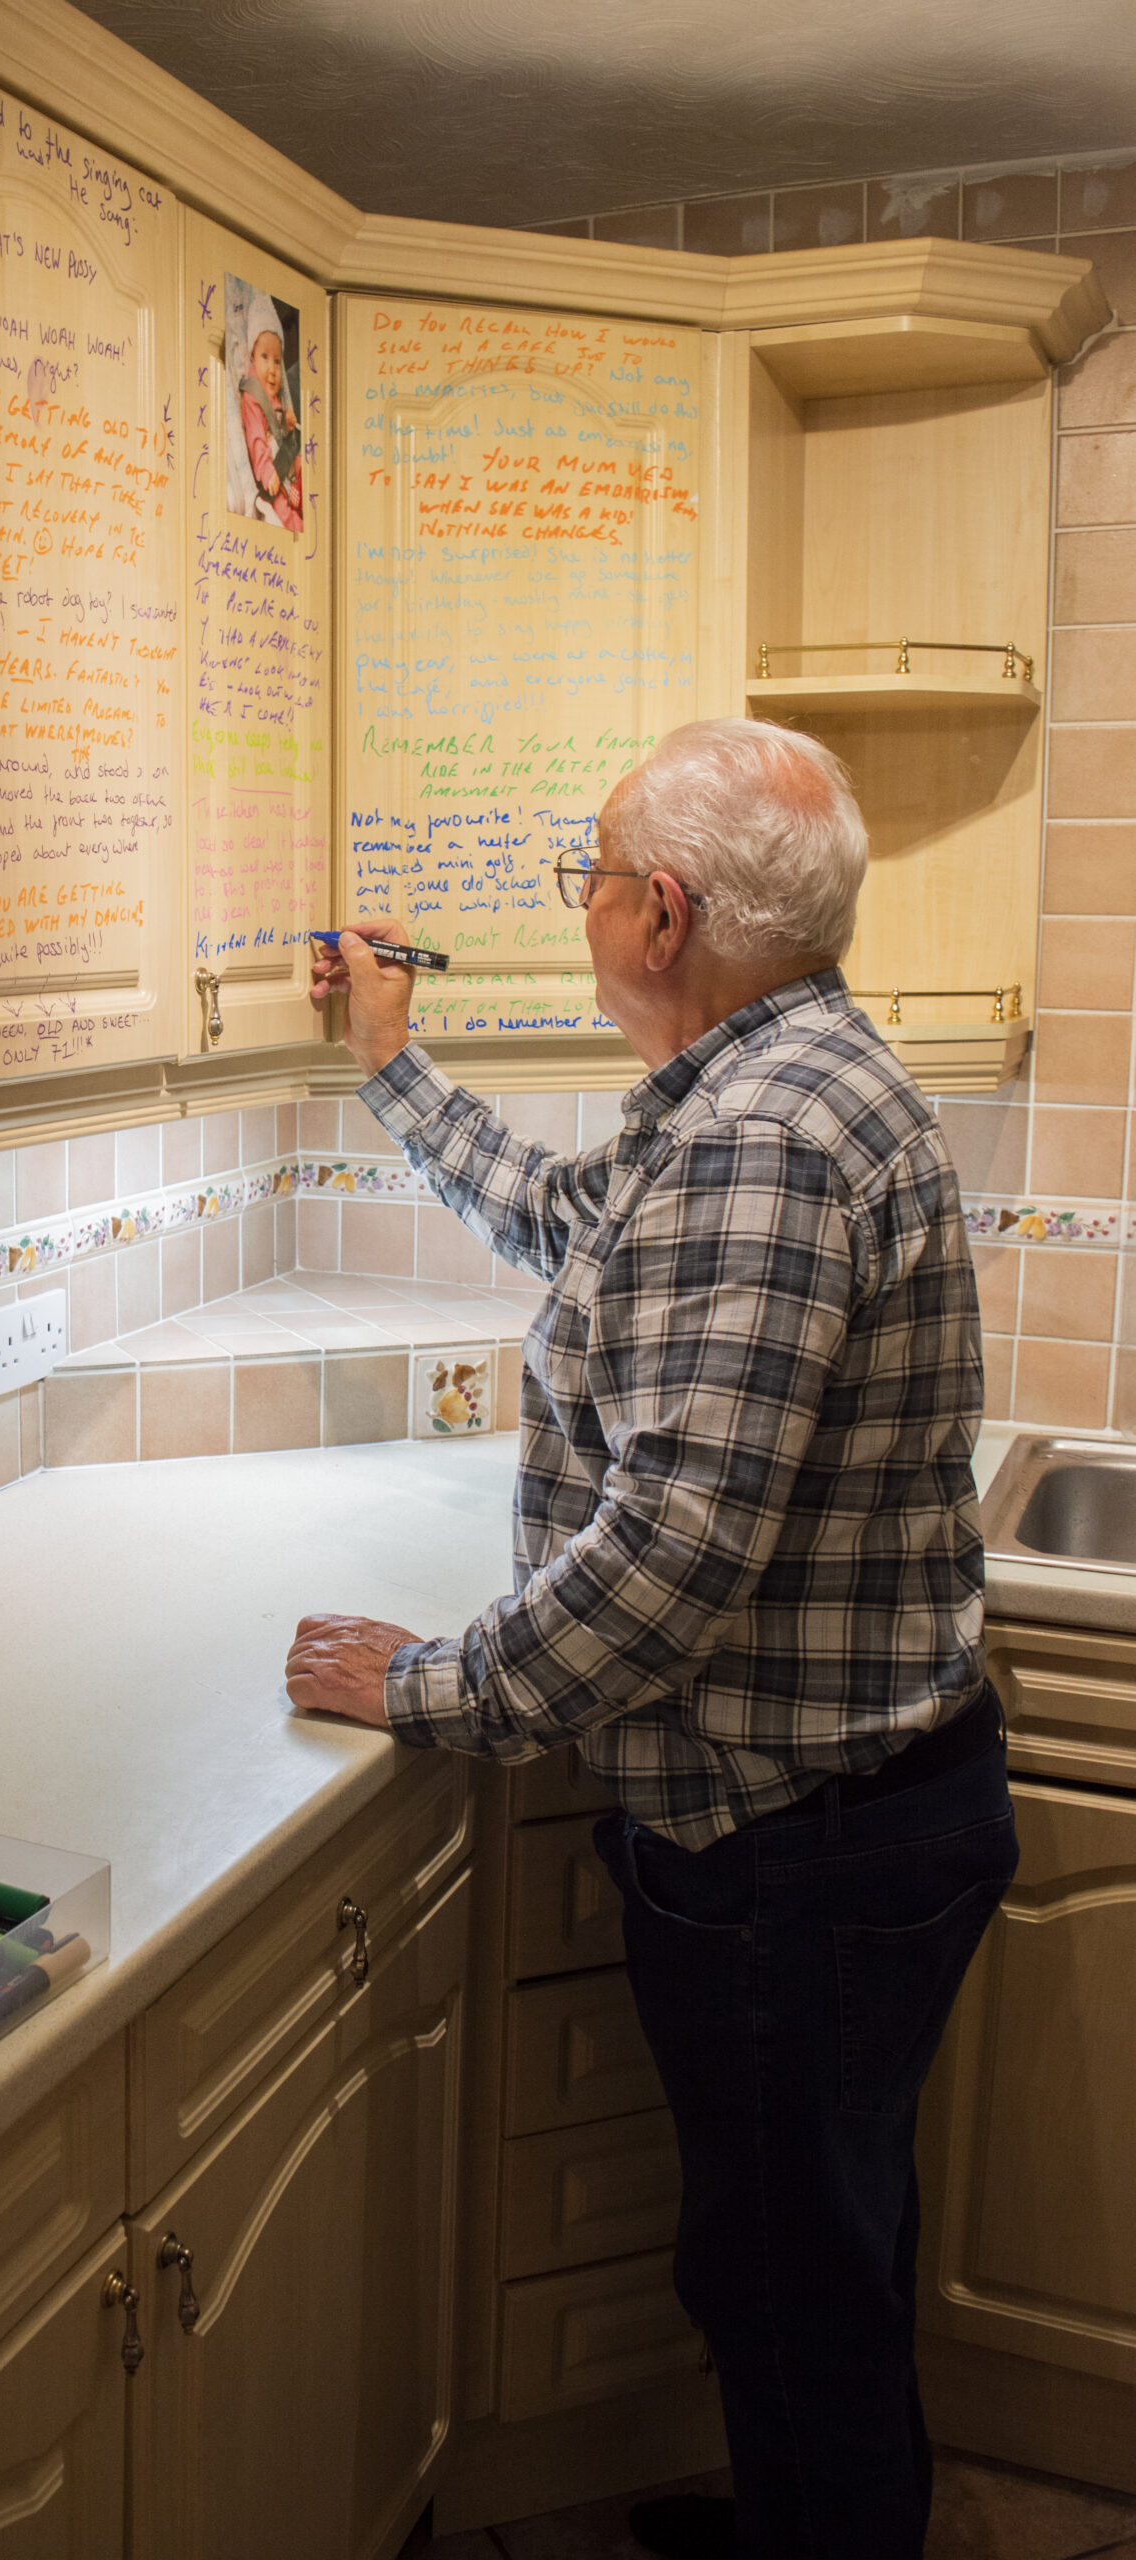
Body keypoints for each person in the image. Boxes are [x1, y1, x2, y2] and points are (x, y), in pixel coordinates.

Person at [286, 719, 1016, 2560]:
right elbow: (573, 1225)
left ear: (661, 914)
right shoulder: (777, 1081)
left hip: (798, 1844)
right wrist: (392, 1065)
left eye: (592, 873)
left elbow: (670, 1557)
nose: (586, 903)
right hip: (851, 1821)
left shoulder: (758, 1145)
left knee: (783, 2282)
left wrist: (431, 1688)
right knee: (816, 2252)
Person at [236, 292, 303, 534]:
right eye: (265, 357)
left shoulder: (277, 396)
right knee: (286, 511)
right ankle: (297, 526)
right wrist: (267, 473)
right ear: (253, 356)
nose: (273, 369)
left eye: (277, 360)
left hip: (287, 466)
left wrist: (288, 423)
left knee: (302, 466)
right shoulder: (253, 396)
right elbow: (256, 440)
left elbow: (284, 438)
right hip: (272, 477)